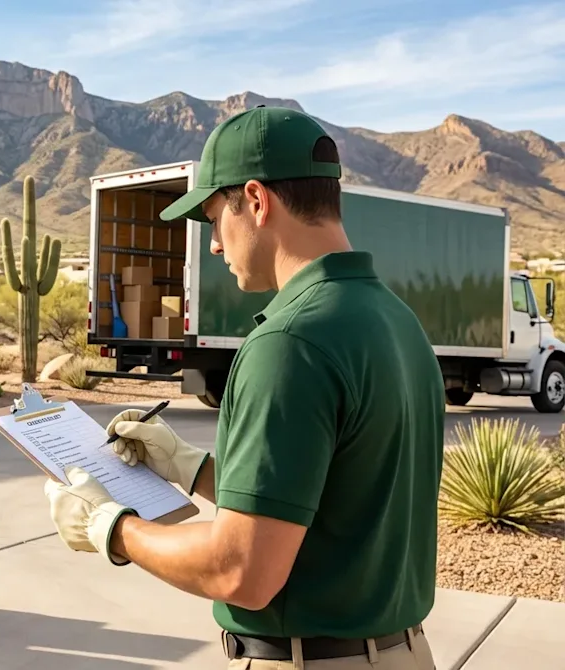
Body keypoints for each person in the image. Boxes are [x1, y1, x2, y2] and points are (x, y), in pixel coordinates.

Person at [42, 106, 444, 669]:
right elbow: (324, 504)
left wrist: (110, 527)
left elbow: (241, 571)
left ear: (256, 201)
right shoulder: (396, 321)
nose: (212, 245)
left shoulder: (289, 342)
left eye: (212, 219)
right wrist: (185, 465)